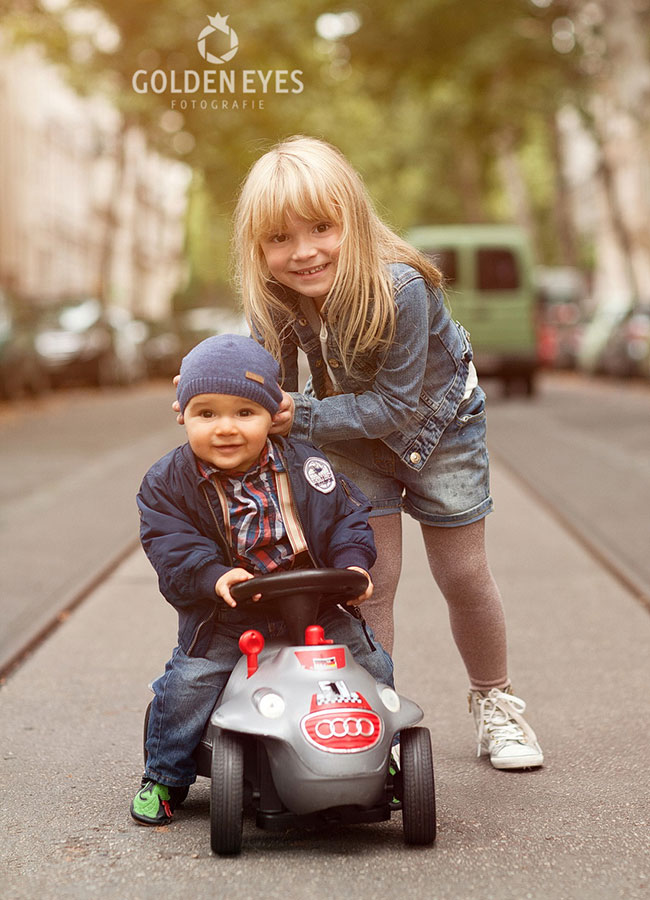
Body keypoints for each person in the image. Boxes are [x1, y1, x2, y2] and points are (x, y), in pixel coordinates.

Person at [229, 134, 543, 771]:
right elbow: (264, 383)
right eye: (279, 239)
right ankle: (375, 721)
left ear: (354, 219)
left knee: (461, 574)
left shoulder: (401, 287)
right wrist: (211, 386)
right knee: (369, 584)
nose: (304, 252)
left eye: (321, 227)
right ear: (257, 250)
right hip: (352, 439)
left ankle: (496, 702)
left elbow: (395, 408)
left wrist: (302, 414)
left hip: (439, 426)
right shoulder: (274, 302)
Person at [132, 333, 394, 826]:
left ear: (273, 414)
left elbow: (347, 517)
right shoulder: (167, 483)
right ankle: (164, 774)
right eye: (207, 414)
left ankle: (385, 757)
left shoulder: (306, 465)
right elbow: (170, 544)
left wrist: (354, 564)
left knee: (372, 667)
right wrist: (212, 574)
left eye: (244, 414)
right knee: (188, 684)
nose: (226, 429)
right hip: (230, 614)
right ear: (181, 413)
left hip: (313, 607)